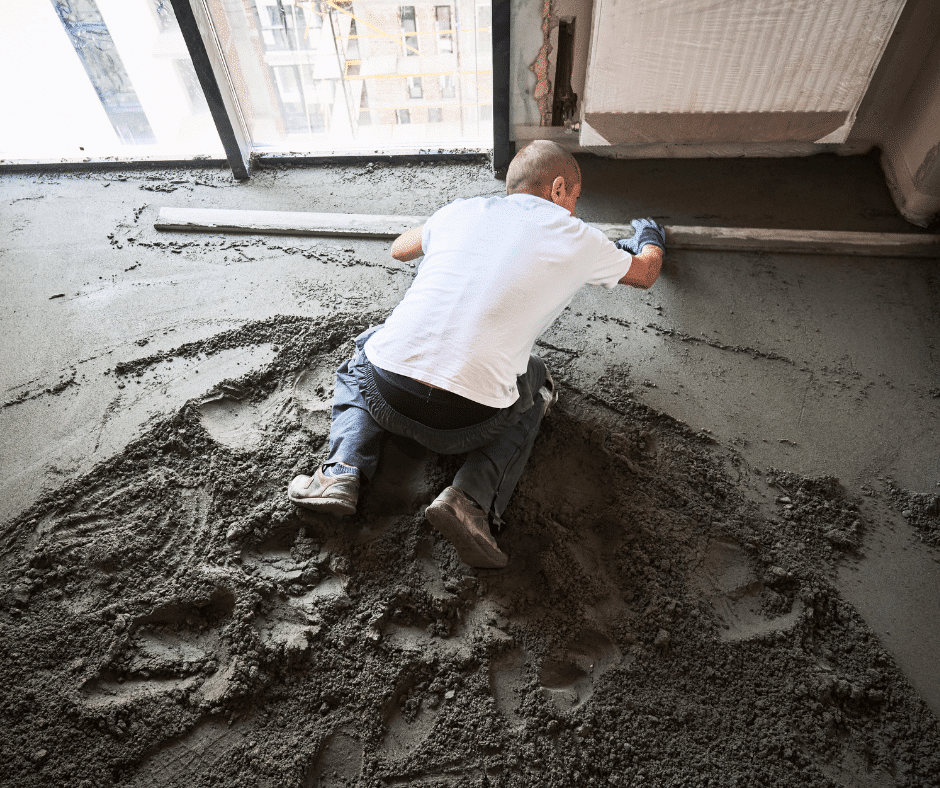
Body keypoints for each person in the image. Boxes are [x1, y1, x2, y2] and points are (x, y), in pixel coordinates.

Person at [288, 140, 665, 569]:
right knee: (536, 382)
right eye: (574, 197)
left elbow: (400, 248)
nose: (573, 208)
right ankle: (470, 499)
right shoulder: (581, 238)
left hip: (387, 395)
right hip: (466, 424)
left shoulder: (461, 210)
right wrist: (649, 237)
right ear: (559, 188)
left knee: (370, 345)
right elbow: (647, 273)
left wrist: (452, 229)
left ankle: (340, 473)